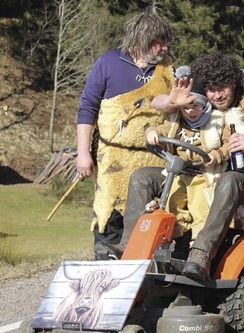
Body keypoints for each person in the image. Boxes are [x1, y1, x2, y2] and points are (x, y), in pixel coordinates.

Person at [97, 53, 244, 280]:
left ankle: (201, 254)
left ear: (235, 84)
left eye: (223, 88)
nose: (217, 95)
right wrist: (170, 108)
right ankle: (129, 247)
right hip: (197, 173)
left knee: (229, 180)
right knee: (142, 177)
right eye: (211, 89)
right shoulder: (197, 106)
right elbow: (156, 102)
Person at [76, 11, 174, 259]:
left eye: (165, 41)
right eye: (158, 42)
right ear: (141, 40)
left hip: (154, 158)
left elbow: (176, 113)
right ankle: (104, 277)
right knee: (109, 220)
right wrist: (83, 152)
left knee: (149, 222)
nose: (164, 47)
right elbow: (88, 107)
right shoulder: (109, 62)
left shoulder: (166, 69)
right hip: (113, 158)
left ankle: (144, 289)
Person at [145, 67, 230, 241]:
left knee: (200, 206)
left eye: (196, 106)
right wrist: (153, 134)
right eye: (186, 108)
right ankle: (173, 241)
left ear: (205, 105)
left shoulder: (217, 122)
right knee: (169, 203)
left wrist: (216, 155)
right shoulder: (175, 121)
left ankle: (198, 245)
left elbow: (229, 144)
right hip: (178, 172)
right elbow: (160, 129)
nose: (191, 111)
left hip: (203, 174)